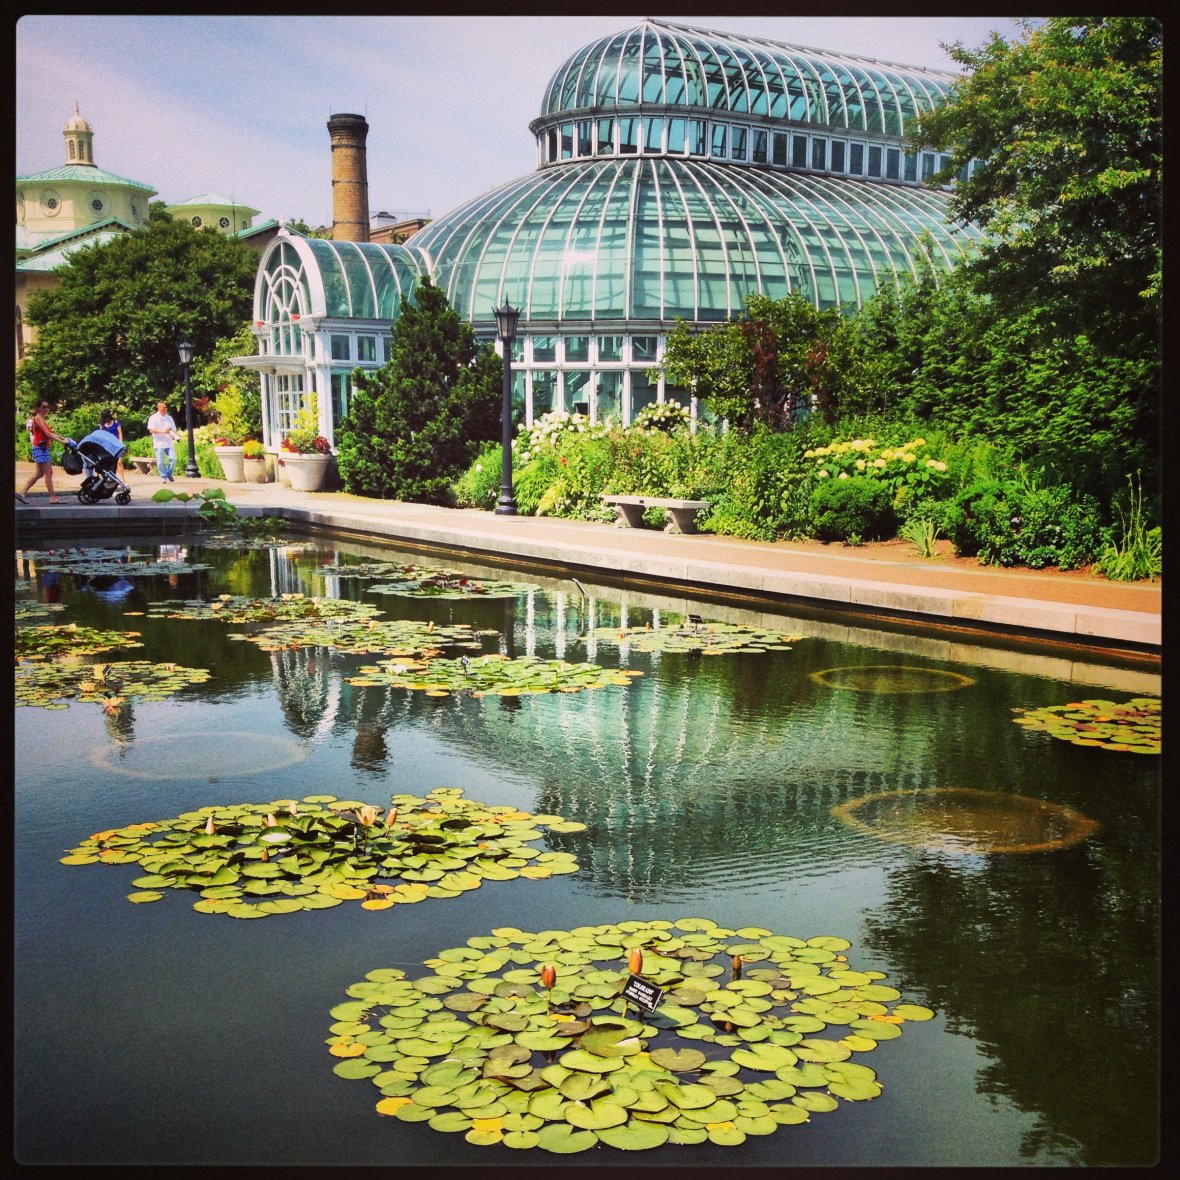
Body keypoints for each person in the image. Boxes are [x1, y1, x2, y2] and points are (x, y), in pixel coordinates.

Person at [18, 399, 67, 503]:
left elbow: (50, 433)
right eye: (44, 407)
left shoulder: (42, 419)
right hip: (40, 449)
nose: (46, 409)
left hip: (42, 448)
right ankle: (53, 498)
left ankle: (22, 492)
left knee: (39, 474)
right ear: (39, 408)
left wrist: (63, 438)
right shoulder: (38, 418)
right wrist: (62, 442)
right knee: (48, 472)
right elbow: (48, 434)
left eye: (47, 407)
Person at [146, 401, 178, 482]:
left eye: (166, 407)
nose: (165, 409)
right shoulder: (153, 418)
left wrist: (174, 436)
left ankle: (168, 473)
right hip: (159, 443)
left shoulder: (169, 418)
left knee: (173, 458)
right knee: (161, 462)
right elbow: (151, 430)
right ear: (159, 408)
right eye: (164, 407)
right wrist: (163, 431)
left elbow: (173, 429)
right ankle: (163, 477)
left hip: (169, 442)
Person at [99, 407, 125, 479]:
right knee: (110, 463)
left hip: (116, 444)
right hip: (108, 446)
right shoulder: (102, 425)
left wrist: (121, 443)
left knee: (119, 462)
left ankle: (123, 480)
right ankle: (111, 478)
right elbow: (101, 435)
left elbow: (120, 433)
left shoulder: (116, 423)